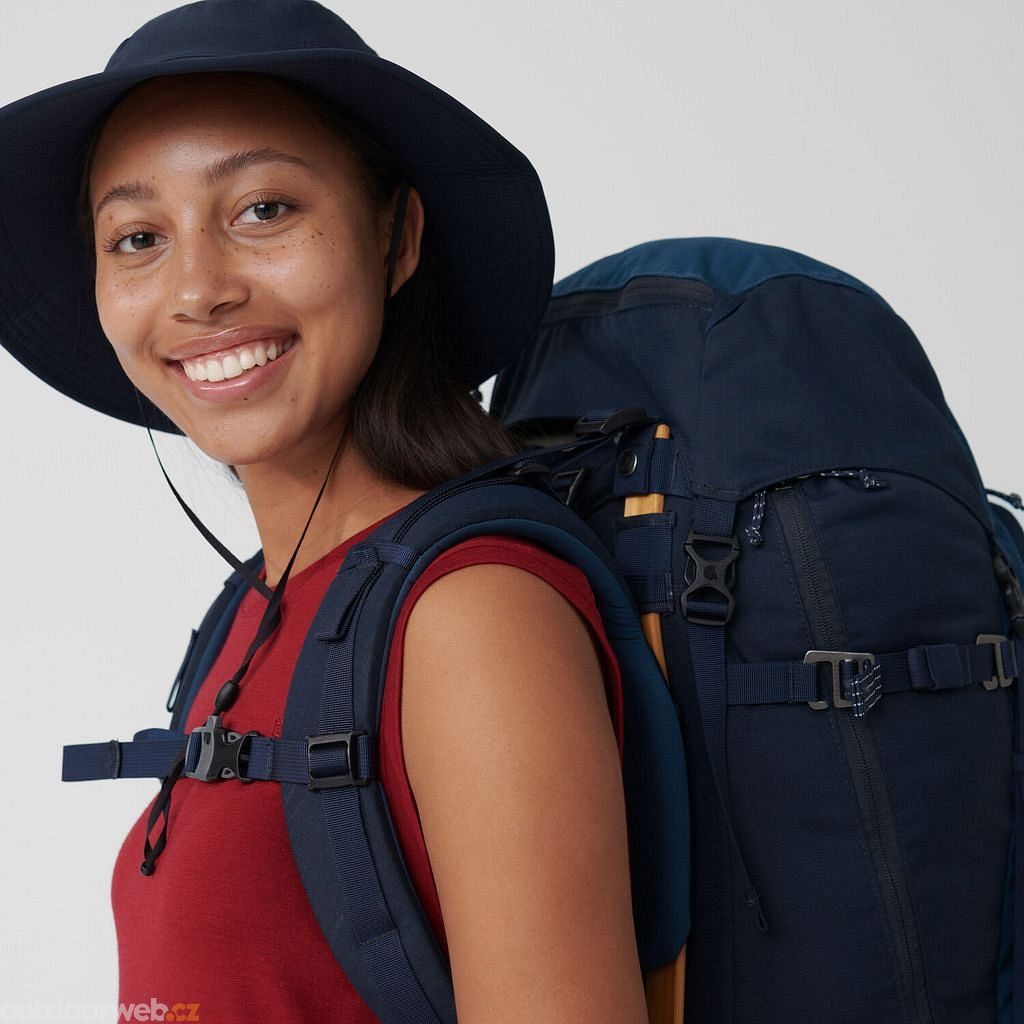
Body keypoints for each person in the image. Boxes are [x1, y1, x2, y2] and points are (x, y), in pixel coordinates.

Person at [0, 1, 648, 1021]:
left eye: (264, 209)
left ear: (396, 238)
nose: (198, 288)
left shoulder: (474, 615)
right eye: (136, 236)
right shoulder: (256, 610)